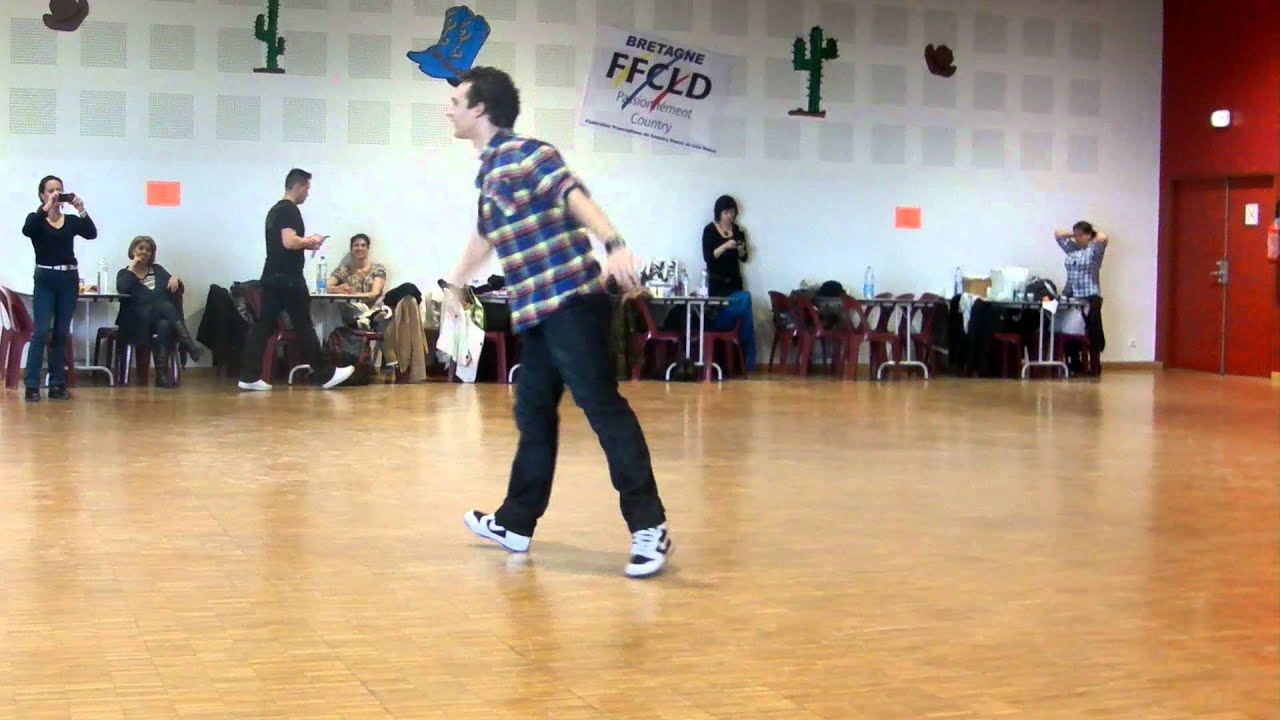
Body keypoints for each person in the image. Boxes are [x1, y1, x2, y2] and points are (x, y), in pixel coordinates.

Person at [443, 66, 672, 578]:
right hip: (538, 313)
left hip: (572, 302)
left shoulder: (529, 154)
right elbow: (485, 234)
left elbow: (574, 196)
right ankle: (515, 522)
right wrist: (454, 283)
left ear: (480, 109)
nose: (448, 110)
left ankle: (649, 525)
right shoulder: (490, 174)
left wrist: (614, 244)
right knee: (534, 415)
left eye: (456, 102)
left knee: (602, 408)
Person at [237, 169, 355, 391]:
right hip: (289, 279)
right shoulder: (289, 210)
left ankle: (248, 376)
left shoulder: (274, 211)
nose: (308, 194)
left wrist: (308, 244)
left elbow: (284, 244)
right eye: (307, 189)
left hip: (272, 276)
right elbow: (289, 242)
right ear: (298, 186)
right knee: (304, 325)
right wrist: (311, 239)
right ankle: (325, 374)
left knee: (263, 327)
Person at [20, 175, 97, 402]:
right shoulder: (36, 219)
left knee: (62, 332)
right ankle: (32, 385)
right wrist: (46, 208)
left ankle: (57, 384)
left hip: (68, 278)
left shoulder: (70, 221)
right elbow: (27, 230)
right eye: (50, 190)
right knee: (41, 330)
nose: (55, 193)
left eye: (59, 189)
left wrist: (81, 209)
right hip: (45, 277)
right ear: (42, 195)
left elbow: (91, 233)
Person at [114, 236, 203, 387]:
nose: (144, 252)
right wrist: (132, 267)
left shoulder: (158, 270)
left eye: (148, 250)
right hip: (136, 321)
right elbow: (122, 288)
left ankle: (161, 376)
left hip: (156, 319)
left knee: (164, 324)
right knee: (165, 306)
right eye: (140, 248)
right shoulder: (124, 273)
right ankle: (190, 345)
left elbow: (178, 289)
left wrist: (175, 279)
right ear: (133, 251)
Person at [1053, 221, 1108, 375]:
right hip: (1073, 295)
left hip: (1090, 296)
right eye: (1075, 236)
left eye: (1080, 236)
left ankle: (1094, 366)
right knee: (1069, 329)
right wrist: (1076, 234)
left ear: (1089, 235)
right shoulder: (1072, 249)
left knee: (1092, 333)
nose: (1076, 239)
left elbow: (1103, 237)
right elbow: (1058, 234)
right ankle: (1075, 364)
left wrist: (1089, 234)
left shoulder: (1094, 251)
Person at [702, 194, 749, 297]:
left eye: (732, 212)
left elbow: (744, 258)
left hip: (735, 281)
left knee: (742, 300)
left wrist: (741, 249)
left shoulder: (738, 230)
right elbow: (708, 258)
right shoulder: (709, 230)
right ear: (719, 213)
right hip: (716, 283)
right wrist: (725, 246)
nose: (729, 216)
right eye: (726, 213)